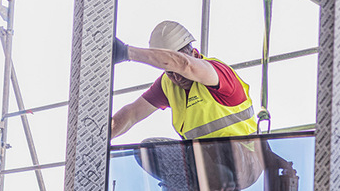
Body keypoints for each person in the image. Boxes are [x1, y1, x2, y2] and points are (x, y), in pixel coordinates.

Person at [110, 21, 256, 140]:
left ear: (195, 54)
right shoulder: (167, 85)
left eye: (177, 69)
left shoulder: (218, 74)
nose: (177, 77)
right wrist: (101, 137)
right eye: (170, 72)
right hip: (204, 167)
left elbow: (186, 66)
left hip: (243, 161)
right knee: (152, 150)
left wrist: (126, 52)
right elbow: (132, 113)